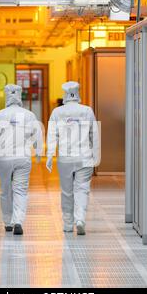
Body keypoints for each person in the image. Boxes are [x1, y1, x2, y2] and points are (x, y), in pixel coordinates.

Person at [0, 84, 43, 235]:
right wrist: (38, 151)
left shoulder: (0, 115)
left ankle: (8, 222)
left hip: (4, 158)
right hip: (22, 157)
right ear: (19, 96)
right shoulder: (29, 115)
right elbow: (37, 134)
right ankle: (18, 220)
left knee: (5, 190)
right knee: (20, 190)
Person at [46, 81, 100, 235]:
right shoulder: (87, 111)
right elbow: (94, 134)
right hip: (84, 157)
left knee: (67, 191)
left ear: (65, 95)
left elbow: (51, 135)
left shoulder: (57, 112)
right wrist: (96, 156)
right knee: (82, 189)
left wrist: (50, 155)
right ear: (78, 94)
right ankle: (80, 219)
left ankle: (68, 223)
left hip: (65, 158)